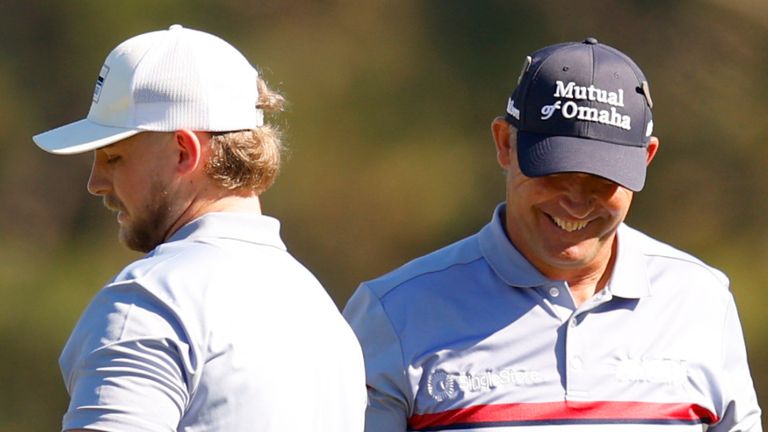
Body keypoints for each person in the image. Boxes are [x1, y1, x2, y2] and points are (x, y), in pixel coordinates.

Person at [343, 37, 762, 431]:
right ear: (505, 144)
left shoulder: (701, 301)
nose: (577, 202)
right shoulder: (395, 313)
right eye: (555, 170)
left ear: (646, 159)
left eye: (603, 178)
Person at [34, 24, 366, 431]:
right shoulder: (322, 314)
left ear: (183, 152)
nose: (95, 183)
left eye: (114, 157)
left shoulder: (148, 301)